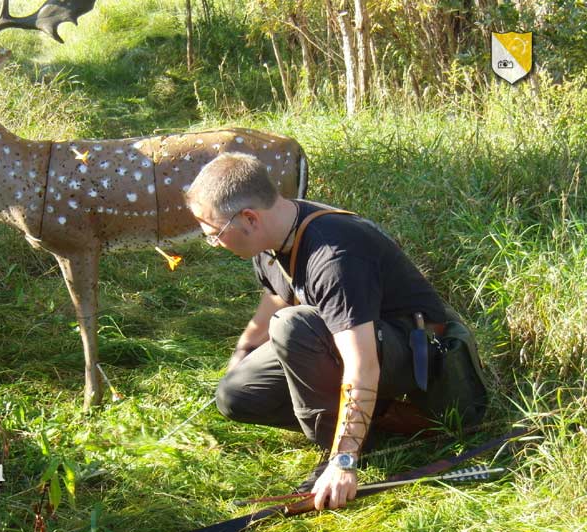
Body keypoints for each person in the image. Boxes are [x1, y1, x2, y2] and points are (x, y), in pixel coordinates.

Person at [185, 152, 488, 511]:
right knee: (236, 395)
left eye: (214, 234)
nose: (215, 243)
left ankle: (341, 451)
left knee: (294, 328)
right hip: (365, 347)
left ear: (250, 218)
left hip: (423, 361)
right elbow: (274, 301)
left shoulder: (333, 256)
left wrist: (343, 462)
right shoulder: (271, 237)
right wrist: (241, 356)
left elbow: (362, 365)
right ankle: (376, 429)